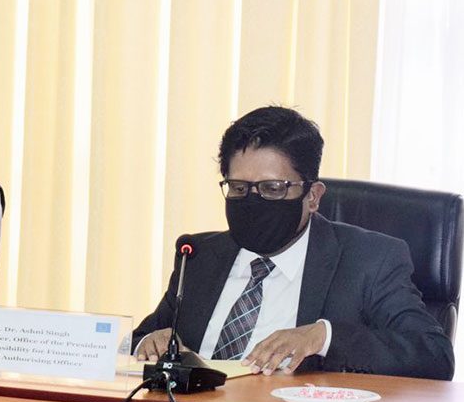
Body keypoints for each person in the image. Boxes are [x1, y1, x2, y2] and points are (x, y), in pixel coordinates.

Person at [133, 106, 454, 380]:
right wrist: (151, 342)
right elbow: (141, 340)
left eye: (273, 188)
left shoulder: (368, 261)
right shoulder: (199, 256)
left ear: (312, 196)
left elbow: (434, 356)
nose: (254, 200)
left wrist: (323, 337)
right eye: (240, 188)